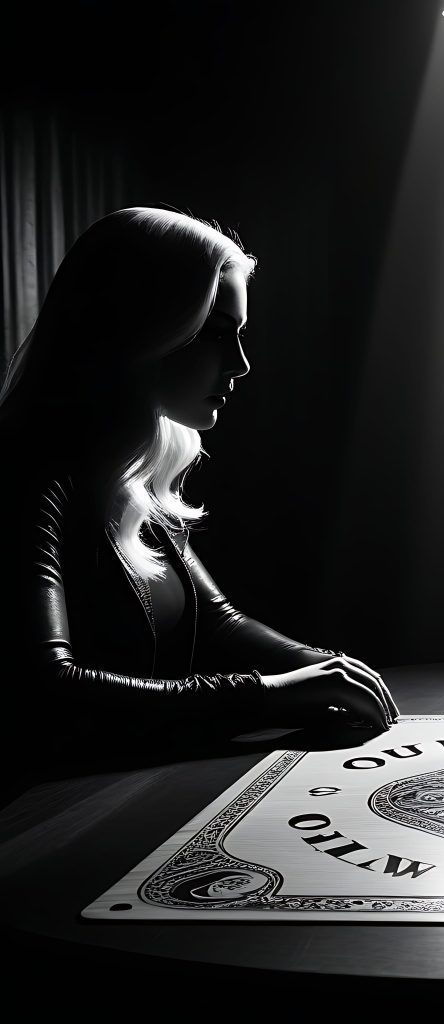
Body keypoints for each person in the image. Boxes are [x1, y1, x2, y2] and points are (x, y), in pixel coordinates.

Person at [0, 207, 398, 750]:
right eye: (215, 335)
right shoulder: (29, 472)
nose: (240, 365)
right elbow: (49, 691)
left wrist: (328, 669)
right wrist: (269, 693)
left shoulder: (131, 471)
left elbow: (219, 622)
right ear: (138, 329)